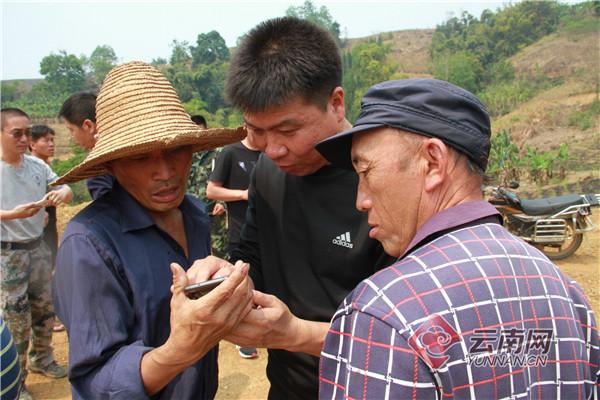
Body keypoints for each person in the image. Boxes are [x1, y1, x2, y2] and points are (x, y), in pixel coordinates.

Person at [315, 78, 600, 399]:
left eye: (365, 172)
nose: (360, 200)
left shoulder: (384, 313)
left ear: (433, 162)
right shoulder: (565, 294)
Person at [192, 17, 394, 399]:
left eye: (287, 131)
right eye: (257, 131)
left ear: (336, 103)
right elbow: (252, 258)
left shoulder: (384, 182)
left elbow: (407, 329)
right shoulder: (268, 172)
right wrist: (230, 277)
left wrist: (295, 334)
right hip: (287, 387)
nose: (272, 149)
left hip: (366, 386)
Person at [52, 61, 251, 399]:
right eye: (140, 157)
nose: (164, 172)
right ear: (111, 165)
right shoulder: (88, 244)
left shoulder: (193, 214)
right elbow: (95, 383)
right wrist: (179, 351)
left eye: (175, 150)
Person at [0, 108, 73, 400]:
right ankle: (16, 382)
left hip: (38, 247)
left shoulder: (36, 167)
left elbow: (65, 186)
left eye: (27, 133)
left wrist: (62, 194)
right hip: (9, 255)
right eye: (16, 133)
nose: (24, 138)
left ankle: (42, 358)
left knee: (44, 310)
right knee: (17, 319)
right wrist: (10, 215)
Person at [206, 134, 261, 359]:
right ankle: (242, 337)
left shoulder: (270, 152)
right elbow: (212, 191)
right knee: (240, 285)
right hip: (241, 232)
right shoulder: (231, 153)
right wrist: (242, 194)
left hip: (270, 229)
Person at [29, 124, 64, 332]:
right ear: (32, 144)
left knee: (50, 269)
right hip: (34, 231)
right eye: (46, 140)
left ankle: (52, 315)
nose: (51, 145)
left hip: (49, 227)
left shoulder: (45, 169)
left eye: (52, 140)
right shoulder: (28, 170)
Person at [58, 92, 114, 200]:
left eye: (71, 129)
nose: (71, 137)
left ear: (88, 126)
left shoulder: (98, 166)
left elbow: (107, 210)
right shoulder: (137, 149)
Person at [187, 115, 228, 258]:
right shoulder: (185, 156)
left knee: (219, 251)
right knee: (195, 251)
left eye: (201, 133)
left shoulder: (218, 154)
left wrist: (222, 202)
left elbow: (228, 179)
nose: (198, 137)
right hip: (190, 210)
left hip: (214, 211)